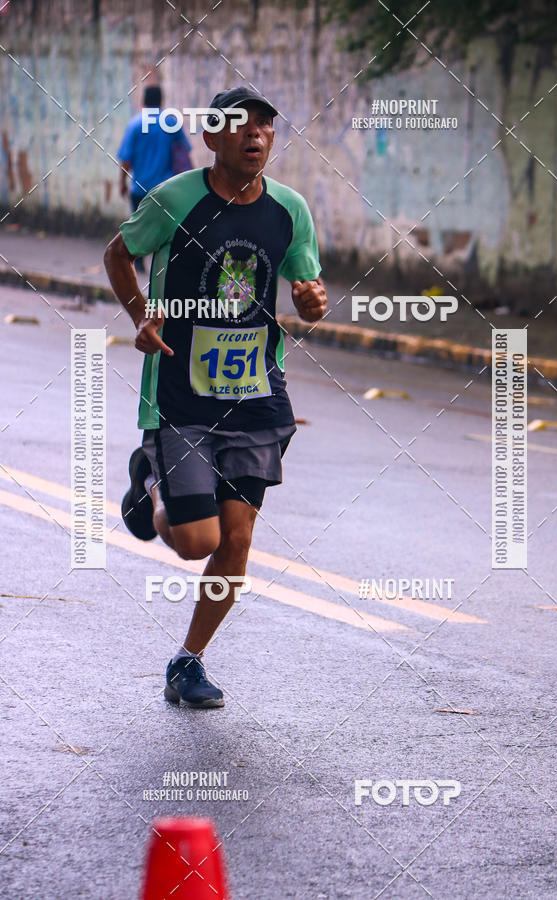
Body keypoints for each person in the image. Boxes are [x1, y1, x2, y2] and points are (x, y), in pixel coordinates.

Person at [104, 86, 327, 709]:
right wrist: (141, 316)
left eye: (265, 127)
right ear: (211, 137)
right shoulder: (174, 199)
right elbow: (119, 253)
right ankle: (149, 478)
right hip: (182, 393)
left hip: (256, 394)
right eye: (239, 126)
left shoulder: (290, 209)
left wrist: (310, 298)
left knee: (236, 539)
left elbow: (305, 279)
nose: (255, 135)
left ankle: (188, 662)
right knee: (194, 540)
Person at [116, 84, 191, 272]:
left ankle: (138, 264)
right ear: (161, 101)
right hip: (166, 190)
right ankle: (164, 267)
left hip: (139, 189)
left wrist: (122, 183)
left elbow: (126, 159)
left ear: (144, 101)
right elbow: (183, 153)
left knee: (140, 229)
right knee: (165, 229)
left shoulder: (135, 125)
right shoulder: (171, 123)